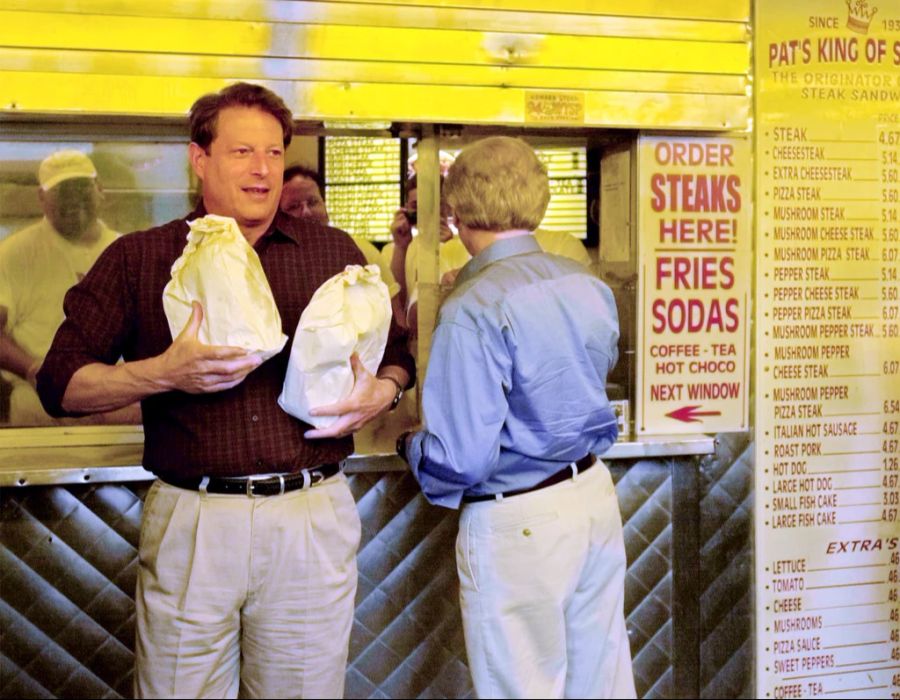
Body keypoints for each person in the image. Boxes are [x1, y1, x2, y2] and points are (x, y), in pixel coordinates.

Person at [36, 82, 415, 699]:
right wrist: (164, 372)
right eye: (242, 152)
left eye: (272, 151)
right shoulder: (142, 257)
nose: (262, 169)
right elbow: (61, 382)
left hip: (309, 514)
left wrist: (385, 392)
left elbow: (396, 355)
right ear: (199, 159)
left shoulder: (332, 252)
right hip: (195, 520)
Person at [396, 136, 635, 699]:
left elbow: (461, 459)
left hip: (518, 521)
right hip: (592, 499)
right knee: (600, 682)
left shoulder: (471, 308)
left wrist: (412, 445)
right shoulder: (586, 284)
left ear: (453, 213)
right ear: (542, 202)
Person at [0, 150, 131, 426]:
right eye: (61, 190)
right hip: (40, 408)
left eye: (81, 187)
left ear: (100, 191)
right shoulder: (14, 253)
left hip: (121, 407)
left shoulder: (128, 251)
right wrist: (33, 369)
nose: (73, 199)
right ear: (42, 198)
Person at [280, 164, 405, 325]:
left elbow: (396, 317)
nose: (306, 212)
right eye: (294, 206)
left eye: (312, 202)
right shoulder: (275, 260)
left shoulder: (360, 249)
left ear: (325, 206)